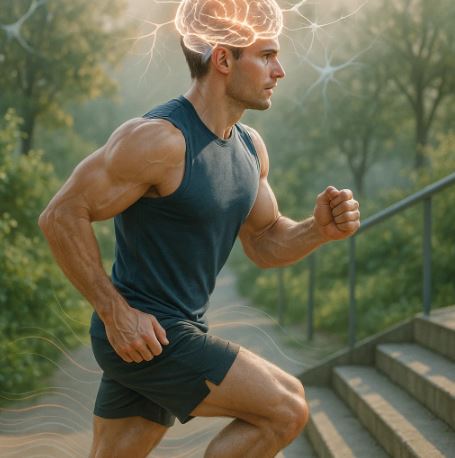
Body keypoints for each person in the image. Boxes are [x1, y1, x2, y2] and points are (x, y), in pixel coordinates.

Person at [39, 1, 360, 457]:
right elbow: (60, 216)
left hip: (157, 338)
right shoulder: (159, 139)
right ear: (224, 59)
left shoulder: (250, 148)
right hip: (151, 332)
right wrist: (115, 313)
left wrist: (318, 230)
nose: (280, 70)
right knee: (286, 407)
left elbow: (265, 243)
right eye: (267, 55)